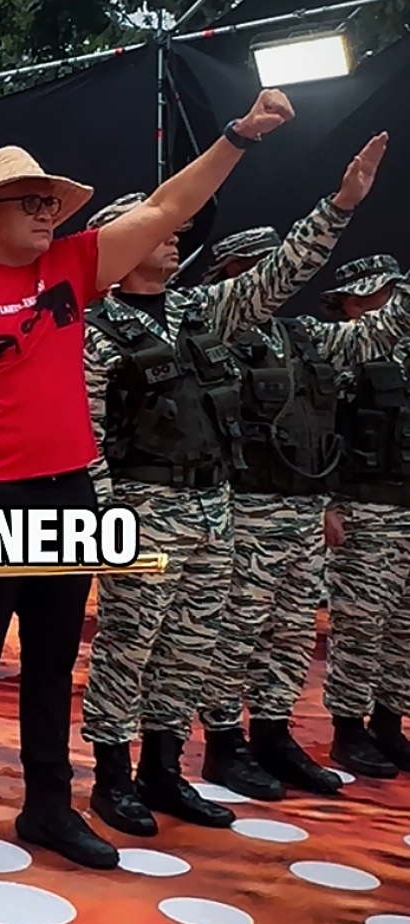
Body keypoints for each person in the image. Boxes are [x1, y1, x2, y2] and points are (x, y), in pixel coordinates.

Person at [0, 97, 295, 882]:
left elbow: (164, 207)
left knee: (51, 662)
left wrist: (237, 137)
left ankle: (50, 807)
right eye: (33, 202)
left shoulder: (73, 267)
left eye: (53, 202)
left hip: (69, 493)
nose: (49, 213)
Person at [79, 138, 384, 841]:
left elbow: (278, 276)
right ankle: (111, 779)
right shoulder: (99, 332)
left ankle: (164, 770)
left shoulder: (202, 313)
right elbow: (85, 432)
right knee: (130, 648)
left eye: (171, 230)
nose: (171, 237)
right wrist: (106, 519)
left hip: (213, 510)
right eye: (153, 229)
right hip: (143, 509)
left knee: (189, 647)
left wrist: (338, 208)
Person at [195, 197, 410, 796]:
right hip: (247, 506)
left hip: (303, 505)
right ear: (237, 275)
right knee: (236, 628)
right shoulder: (219, 332)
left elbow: (382, 328)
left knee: (289, 631)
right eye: (264, 267)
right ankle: (222, 742)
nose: (279, 278)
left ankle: (271, 733)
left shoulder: (307, 336)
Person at [320, 255, 410, 777]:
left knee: (403, 627)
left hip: (406, 504)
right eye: (379, 295)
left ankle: (390, 723)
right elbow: (320, 434)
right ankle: (348, 729)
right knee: (360, 624)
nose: (391, 303)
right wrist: (328, 505)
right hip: (364, 509)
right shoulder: (338, 356)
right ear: (353, 302)